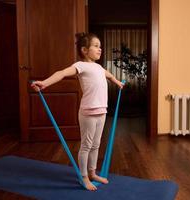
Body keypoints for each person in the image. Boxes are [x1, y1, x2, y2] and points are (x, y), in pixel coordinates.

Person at [31, 32, 124, 191]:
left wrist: (117, 82)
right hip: (88, 112)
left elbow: (107, 74)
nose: (99, 49)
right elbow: (61, 73)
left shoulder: (99, 67)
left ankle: (93, 173)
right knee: (86, 146)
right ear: (84, 50)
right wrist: (44, 83)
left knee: (96, 145)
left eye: (100, 46)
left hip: (102, 112)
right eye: (96, 46)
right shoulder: (80, 66)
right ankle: (84, 176)